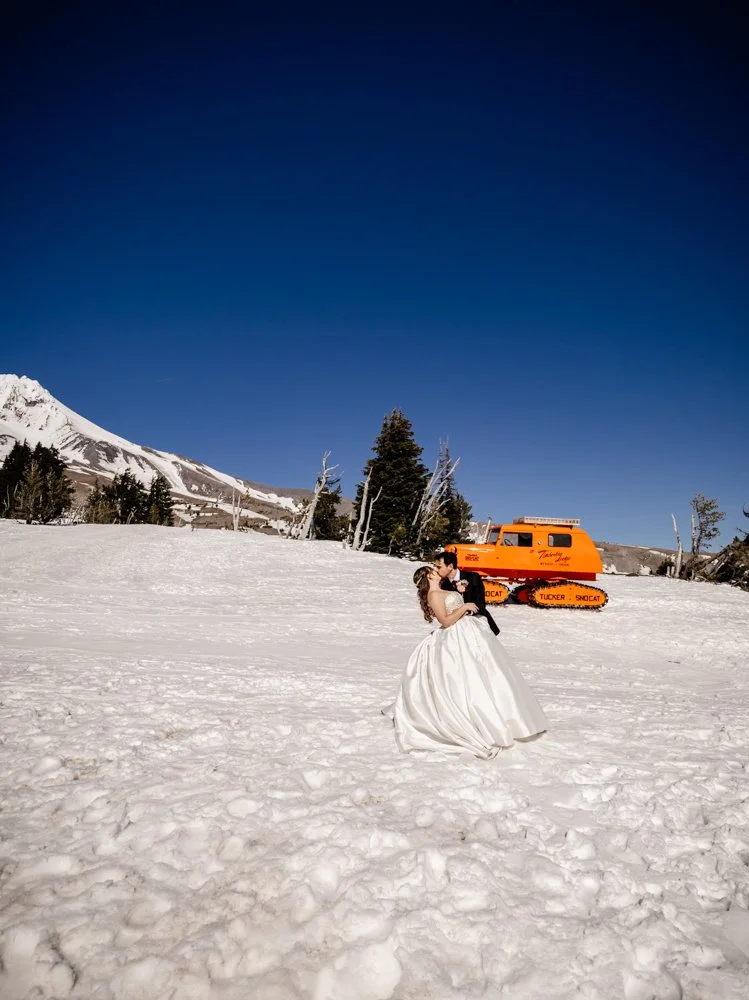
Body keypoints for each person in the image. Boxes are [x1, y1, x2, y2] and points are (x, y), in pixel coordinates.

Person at [393, 566, 547, 758]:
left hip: (469, 633)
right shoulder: (433, 594)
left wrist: (461, 599)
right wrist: (464, 607)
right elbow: (445, 621)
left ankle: (508, 717)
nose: (437, 569)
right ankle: (478, 719)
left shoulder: (442, 589)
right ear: (428, 576)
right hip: (454, 638)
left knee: (489, 673)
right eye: (433, 569)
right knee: (467, 678)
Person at [434, 550, 500, 635]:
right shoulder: (442, 584)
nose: (436, 570)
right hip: (454, 630)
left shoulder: (473, 577)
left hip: (478, 626)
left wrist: (465, 611)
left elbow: (481, 604)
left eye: (439, 567)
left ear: (450, 566)